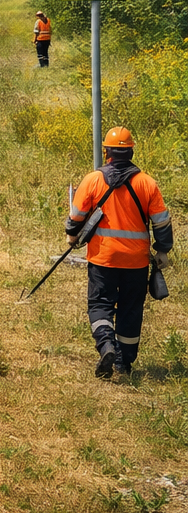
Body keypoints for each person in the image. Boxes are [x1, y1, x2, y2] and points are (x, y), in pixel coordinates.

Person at [66, 127, 173, 379]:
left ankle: (106, 346)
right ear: (131, 151)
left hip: (103, 259)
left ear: (107, 152)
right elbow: (161, 222)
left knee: (100, 304)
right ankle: (123, 364)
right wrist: (163, 250)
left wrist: (72, 236)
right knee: (131, 309)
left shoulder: (93, 180)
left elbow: (76, 217)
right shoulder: (147, 183)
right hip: (136, 262)